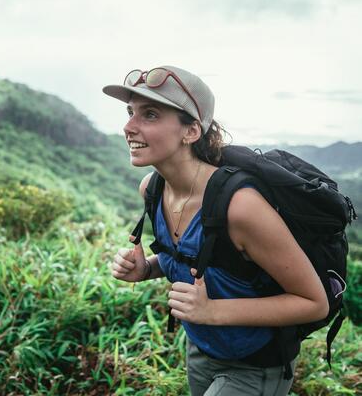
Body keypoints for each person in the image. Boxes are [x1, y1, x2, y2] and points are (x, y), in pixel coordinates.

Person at [102, 65, 329, 396]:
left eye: (149, 115)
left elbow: (313, 302)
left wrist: (211, 311)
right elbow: (203, 262)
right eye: (130, 112)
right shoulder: (152, 188)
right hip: (201, 352)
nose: (128, 127)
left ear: (191, 131)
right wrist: (147, 268)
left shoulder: (240, 207)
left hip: (256, 364)